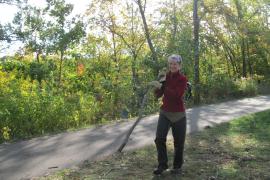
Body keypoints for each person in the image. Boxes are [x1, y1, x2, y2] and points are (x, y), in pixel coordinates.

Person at [148, 54, 188, 175]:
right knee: (159, 139)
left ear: (179, 65)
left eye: (175, 64)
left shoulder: (183, 79)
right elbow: (158, 95)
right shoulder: (165, 77)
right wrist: (157, 85)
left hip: (179, 115)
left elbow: (176, 95)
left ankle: (177, 167)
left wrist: (162, 86)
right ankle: (162, 165)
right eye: (170, 63)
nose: (172, 66)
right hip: (165, 112)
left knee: (179, 143)